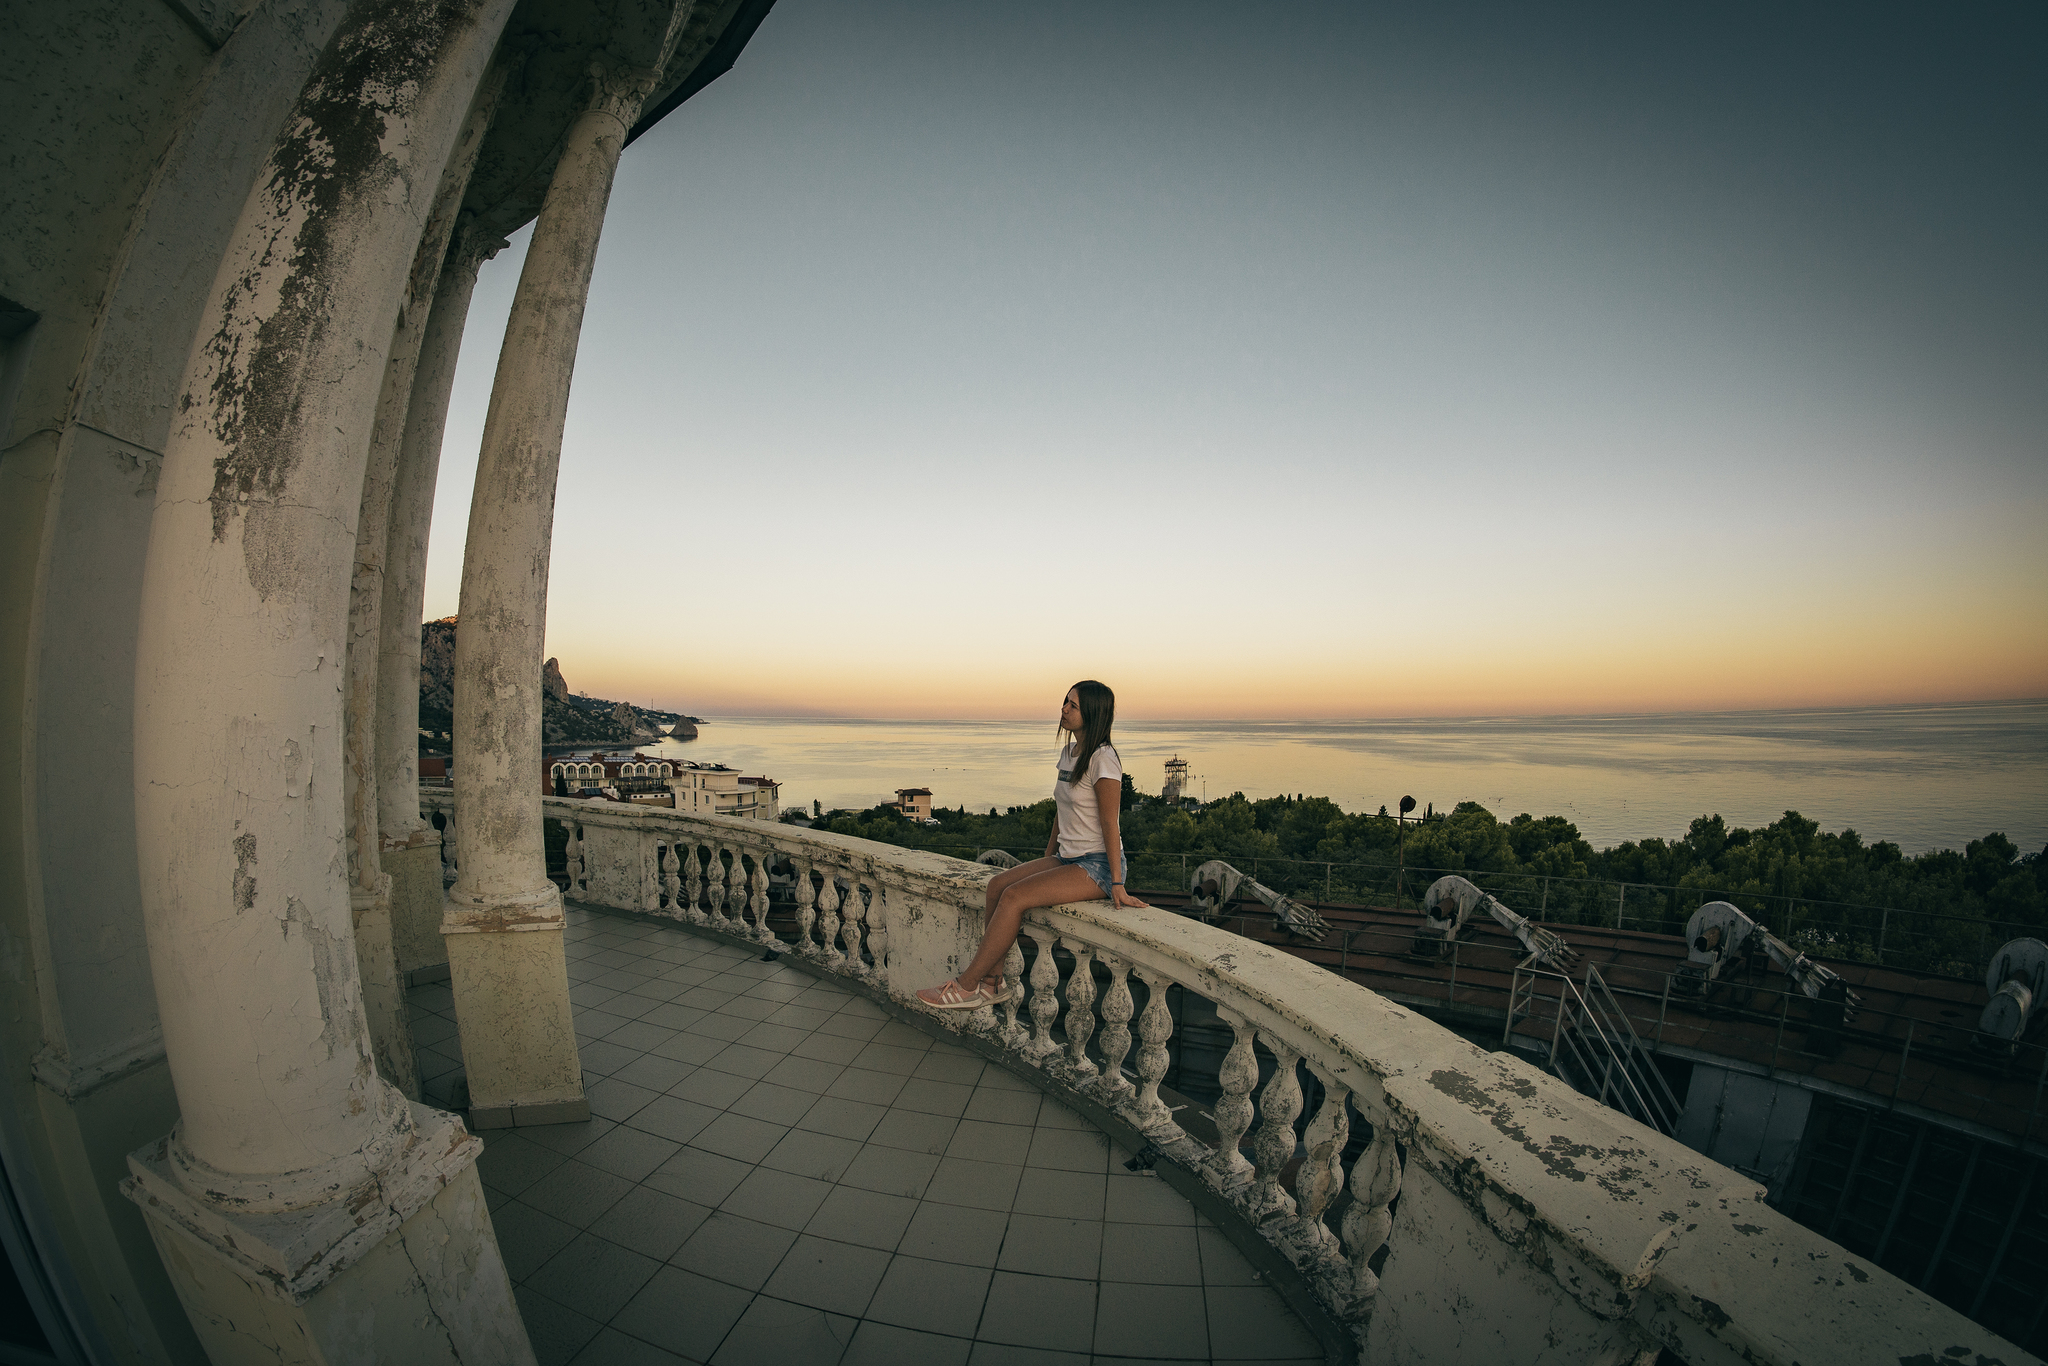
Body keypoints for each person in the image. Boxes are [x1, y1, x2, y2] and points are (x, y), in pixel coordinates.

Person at [918, 680, 1148, 1009]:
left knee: (1014, 897)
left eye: (1073, 706)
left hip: (1095, 865)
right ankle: (993, 983)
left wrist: (1117, 883)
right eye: (1065, 702)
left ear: (1093, 714)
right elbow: (1062, 810)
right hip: (1067, 858)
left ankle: (967, 985)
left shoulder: (1104, 759)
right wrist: (1046, 859)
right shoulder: (1070, 753)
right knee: (997, 884)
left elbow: (1110, 823)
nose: (1064, 709)